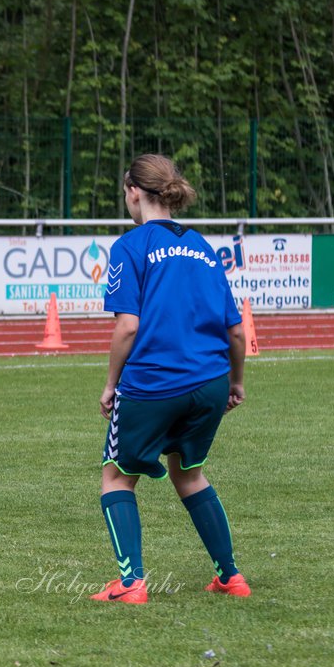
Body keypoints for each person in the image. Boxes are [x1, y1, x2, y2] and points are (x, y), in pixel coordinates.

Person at [92, 153, 249, 604]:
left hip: (154, 383)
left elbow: (127, 326)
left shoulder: (131, 245)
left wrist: (109, 384)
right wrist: (236, 383)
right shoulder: (202, 246)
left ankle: (130, 583)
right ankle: (230, 577)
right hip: (210, 381)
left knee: (117, 478)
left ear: (134, 191)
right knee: (191, 474)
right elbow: (235, 330)